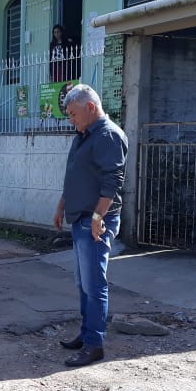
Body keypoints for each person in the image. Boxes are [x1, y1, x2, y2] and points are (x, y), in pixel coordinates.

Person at [52, 84, 128, 367]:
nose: (70, 119)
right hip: (79, 217)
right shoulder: (83, 136)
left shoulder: (108, 136)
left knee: (95, 285)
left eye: (73, 114)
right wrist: (61, 206)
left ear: (91, 108)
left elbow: (112, 182)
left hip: (96, 221)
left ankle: (95, 344)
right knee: (83, 283)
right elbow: (74, 175)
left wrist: (98, 218)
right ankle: (86, 335)